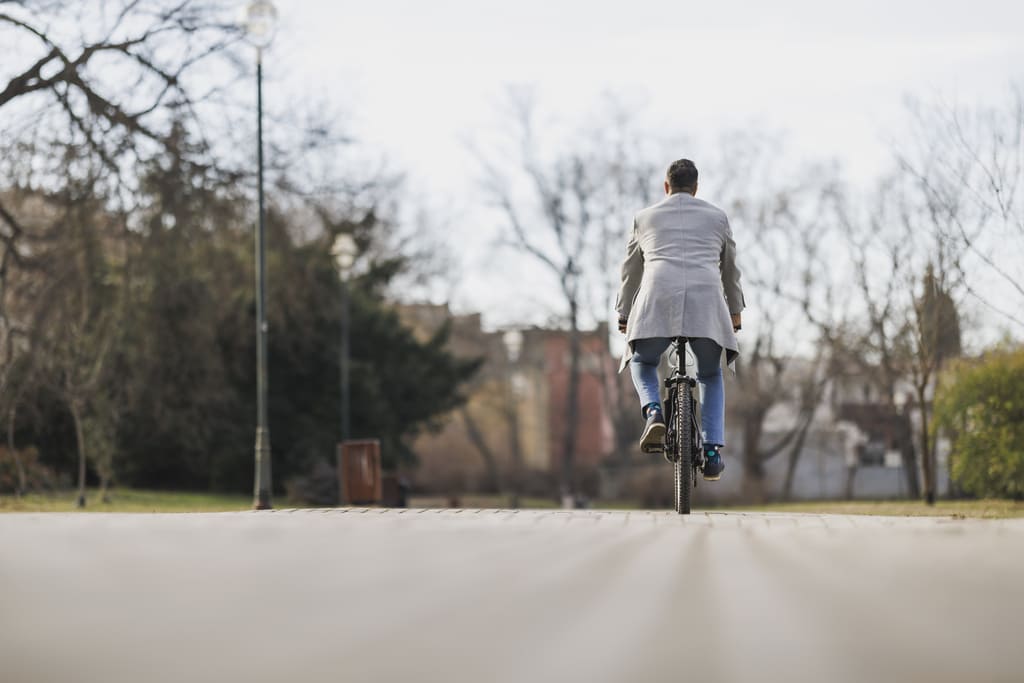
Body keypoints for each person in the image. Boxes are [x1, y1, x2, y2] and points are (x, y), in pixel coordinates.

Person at [615, 159, 745, 480]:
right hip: (707, 305)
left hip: (656, 302)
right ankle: (712, 452)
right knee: (710, 374)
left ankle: (654, 411)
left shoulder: (644, 218)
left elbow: (631, 272)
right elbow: (730, 269)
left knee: (643, 363)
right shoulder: (717, 217)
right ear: (696, 188)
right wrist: (735, 312)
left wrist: (624, 313)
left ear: (666, 186)